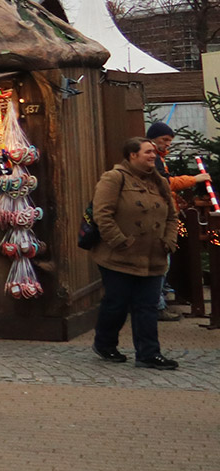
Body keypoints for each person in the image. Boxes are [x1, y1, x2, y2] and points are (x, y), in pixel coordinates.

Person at [92, 136, 180, 370]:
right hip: (119, 257)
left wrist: (169, 241)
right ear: (133, 155)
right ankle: (105, 343)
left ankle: (148, 354)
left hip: (154, 256)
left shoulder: (160, 182)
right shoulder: (114, 178)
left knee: (147, 306)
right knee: (116, 304)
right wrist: (120, 242)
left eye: (153, 152)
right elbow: (102, 214)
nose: (153, 156)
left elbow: (172, 216)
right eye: (147, 152)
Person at [145, 122, 210, 321]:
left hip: (164, 215)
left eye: (169, 141)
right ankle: (157, 306)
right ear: (153, 138)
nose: (167, 144)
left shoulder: (158, 158)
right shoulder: (153, 158)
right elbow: (165, 183)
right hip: (160, 219)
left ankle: (160, 302)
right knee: (163, 262)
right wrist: (195, 179)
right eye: (164, 140)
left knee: (165, 261)